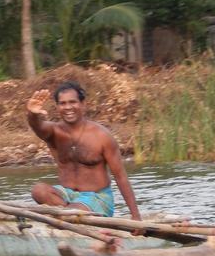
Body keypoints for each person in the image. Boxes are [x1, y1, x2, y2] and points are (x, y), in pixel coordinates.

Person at [26, 81, 141, 220]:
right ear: (57, 107)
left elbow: (121, 176)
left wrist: (135, 214)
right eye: (62, 103)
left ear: (82, 104)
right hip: (67, 195)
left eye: (72, 102)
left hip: (97, 198)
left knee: (72, 213)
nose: (68, 107)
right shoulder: (53, 132)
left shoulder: (101, 136)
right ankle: (68, 216)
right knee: (38, 190)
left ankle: (67, 216)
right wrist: (32, 114)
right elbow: (38, 126)